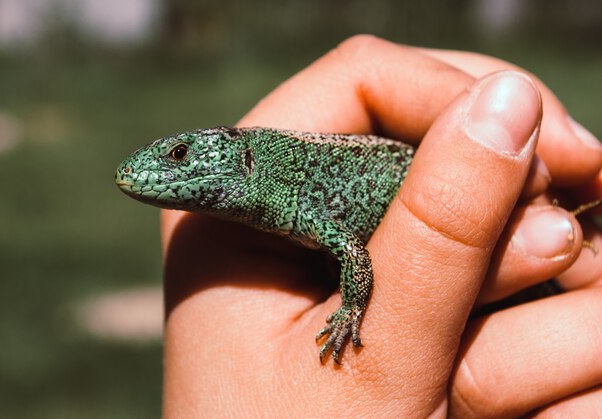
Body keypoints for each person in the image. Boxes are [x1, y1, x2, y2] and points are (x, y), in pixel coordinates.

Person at [159, 36, 602, 417]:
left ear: (241, 156)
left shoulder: (288, 187)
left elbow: (350, 247)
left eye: (180, 155)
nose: (167, 166)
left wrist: (351, 311)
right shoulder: (274, 195)